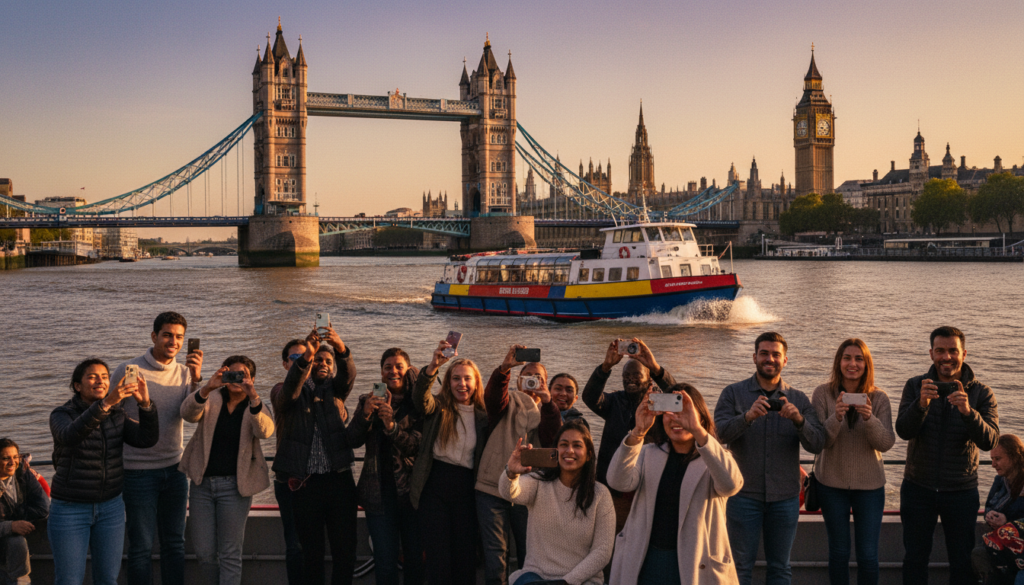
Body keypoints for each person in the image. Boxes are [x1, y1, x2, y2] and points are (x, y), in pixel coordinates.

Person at [714, 331, 824, 585]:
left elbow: (817, 443)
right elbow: (718, 434)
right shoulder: (733, 394)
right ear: (754, 357)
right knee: (739, 567)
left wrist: (799, 421)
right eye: (764, 353)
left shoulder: (798, 399)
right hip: (742, 495)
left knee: (781, 567)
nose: (769, 359)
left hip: (785, 497)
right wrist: (747, 417)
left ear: (785, 360)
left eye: (776, 354)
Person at [609, 384, 743, 585]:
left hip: (697, 565)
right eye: (669, 412)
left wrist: (697, 430)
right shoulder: (647, 453)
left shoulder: (714, 459)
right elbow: (618, 481)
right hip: (646, 560)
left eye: (683, 411)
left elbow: (731, 485)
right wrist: (637, 432)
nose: (676, 418)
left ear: (701, 418)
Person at [896, 326, 998, 585]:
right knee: (915, 559)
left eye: (953, 351)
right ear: (931, 354)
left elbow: (989, 441)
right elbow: (903, 431)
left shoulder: (981, 393)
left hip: (961, 492)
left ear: (964, 353)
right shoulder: (914, 385)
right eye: (940, 351)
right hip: (918, 488)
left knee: (962, 561)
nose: (946, 357)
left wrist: (967, 412)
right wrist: (920, 405)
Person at [110, 311, 202, 585]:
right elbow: (110, 415)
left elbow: (192, 417)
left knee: (175, 543)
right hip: (137, 471)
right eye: (167, 335)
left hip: (175, 470)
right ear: (154, 336)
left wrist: (197, 380)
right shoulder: (129, 369)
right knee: (141, 546)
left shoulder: (186, 373)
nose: (173, 341)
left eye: (179, 337)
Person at [49, 358, 159, 585]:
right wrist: (107, 403)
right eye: (92, 376)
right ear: (77, 385)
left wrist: (146, 404)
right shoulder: (61, 414)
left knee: (108, 580)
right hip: (70, 508)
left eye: (105, 377)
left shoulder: (116, 414)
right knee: (69, 580)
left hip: (111, 507)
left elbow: (146, 439)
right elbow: (70, 435)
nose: (100, 381)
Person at [272, 324, 357, 585]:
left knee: (345, 552)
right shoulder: (285, 390)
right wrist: (306, 358)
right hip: (306, 484)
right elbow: (289, 394)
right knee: (312, 554)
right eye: (317, 359)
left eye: (327, 360)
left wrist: (341, 349)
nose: (323, 363)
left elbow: (348, 376)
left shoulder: (336, 391)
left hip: (339, 481)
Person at [179, 355, 274, 585]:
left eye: (242, 374)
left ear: (251, 378)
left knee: (230, 554)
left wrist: (253, 397)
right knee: (204, 553)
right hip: (202, 485)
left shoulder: (257, 405)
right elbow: (187, 414)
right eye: (231, 373)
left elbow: (265, 431)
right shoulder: (211, 397)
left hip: (235, 487)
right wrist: (207, 386)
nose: (236, 378)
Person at [810, 339, 895, 585]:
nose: (852, 364)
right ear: (838, 362)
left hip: (869, 488)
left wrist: (870, 419)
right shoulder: (822, 394)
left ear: (867, 364)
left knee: (868, 556)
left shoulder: (879, 398)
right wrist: (835, 417)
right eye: (847, 357)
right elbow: (820, 442)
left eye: (859, 359)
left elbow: (886, 443)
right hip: (831, 485)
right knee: (838, 553)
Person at [476, 345, 562, 585]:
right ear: (518, 381)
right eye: (528, 377)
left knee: (530, 555)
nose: (533, 381)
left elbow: (553, 439)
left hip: (528, 493)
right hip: (491, 488)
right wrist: (505, 369)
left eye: (539, 378)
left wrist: (547, 402)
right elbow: (493, 397)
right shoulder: (506, 402)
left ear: (546, 383)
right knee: (495, 558)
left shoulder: (550, 409)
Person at [409, 341, 489, 585]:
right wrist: (433, 366)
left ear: (476, 383)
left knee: (465, 559)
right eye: (455, 378)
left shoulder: (483, 416)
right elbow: (420, 398)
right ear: (448, 382)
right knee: (438, 560)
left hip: (467, 490)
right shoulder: (439, 408)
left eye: (467, 379)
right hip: (435, 487)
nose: (461, 384)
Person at [500, 420, 615, 585]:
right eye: (564, 444)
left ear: (589, 454)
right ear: (555, 450)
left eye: (577, 445)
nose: (569, 450)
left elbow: (602, 551)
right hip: (537, 576)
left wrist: (566, 582)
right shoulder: (538, 482)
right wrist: (511, 472)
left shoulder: (600, 495)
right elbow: (509, 492)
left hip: (582, 580)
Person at [581, 337, 676, 533]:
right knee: (613, 540)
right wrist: (605, 367)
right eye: (626, 376)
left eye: (636, 376)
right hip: (613, 488)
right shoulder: (614, 402)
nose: (630, 380)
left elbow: (681, 397)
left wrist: (656, 368)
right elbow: (589, 398)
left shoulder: (658, 403)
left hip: (649, 487)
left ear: (648, 378)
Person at [346, 348, 425, 585]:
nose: (393, 371)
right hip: (378, 495)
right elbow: (352, 440)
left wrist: (391, 426)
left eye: (399, 366)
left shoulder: (419, 405)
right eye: (388, 366)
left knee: (415, 560)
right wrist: (366, 415)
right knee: (385, 560)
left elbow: (415, 447)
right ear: (381, 372)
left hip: (413, 496)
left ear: (408, 370)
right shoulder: (367, 401)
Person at [270, 339, 307, 585]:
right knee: (295, 545)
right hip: (289, 480)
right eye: (295, 358)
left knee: (318, 548)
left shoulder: (325, 391)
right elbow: (289, 396)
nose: (301, 362)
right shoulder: (279, 390)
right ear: (285, 364)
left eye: (306, 358)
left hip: (320, 479)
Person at [973, 434, 1024, 584]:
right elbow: (989, 506)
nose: (993, 464)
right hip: (1002, 544)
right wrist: (991, 516)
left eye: (998, 459)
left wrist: (1007, 523)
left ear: (1014, 457)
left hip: (1019, 546)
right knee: (979, 554)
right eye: (992, 459)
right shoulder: (1000, 480)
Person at [0, 438, 49, 585]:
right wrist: (11, 526)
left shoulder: (23, 473)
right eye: (5, 458)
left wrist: (16, 521)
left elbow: (43, 508)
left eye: (16, 457)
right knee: (17, 543)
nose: (12, 462)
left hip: (15, 535)